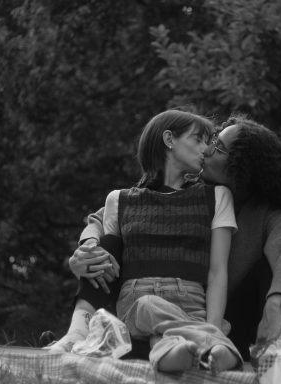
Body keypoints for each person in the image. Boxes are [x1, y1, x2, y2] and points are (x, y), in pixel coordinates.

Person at [52, 114, 281, 363]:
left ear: (242, 165)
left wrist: (275, 304)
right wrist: (86, 248)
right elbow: (102, 218)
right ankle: (79, 330)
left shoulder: (266, 213)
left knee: (276, 274)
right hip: (164, 310)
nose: (208, 150)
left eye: (218, 147)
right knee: (109, 245)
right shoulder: (189, 193)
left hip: (228, 318)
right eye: (208, 142)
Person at [61, 109, 242, 372]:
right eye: (198, 140)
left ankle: (186, 353)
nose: (206, 149)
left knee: (170, 342)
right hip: (136, 305)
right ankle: (218, 346)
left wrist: (212, 324)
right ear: (169, 139)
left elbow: (217, 272)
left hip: (190, 304)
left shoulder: (217, 197)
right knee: (147, 305)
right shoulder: (119, 200)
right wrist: (85, 248)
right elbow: (97, 234)